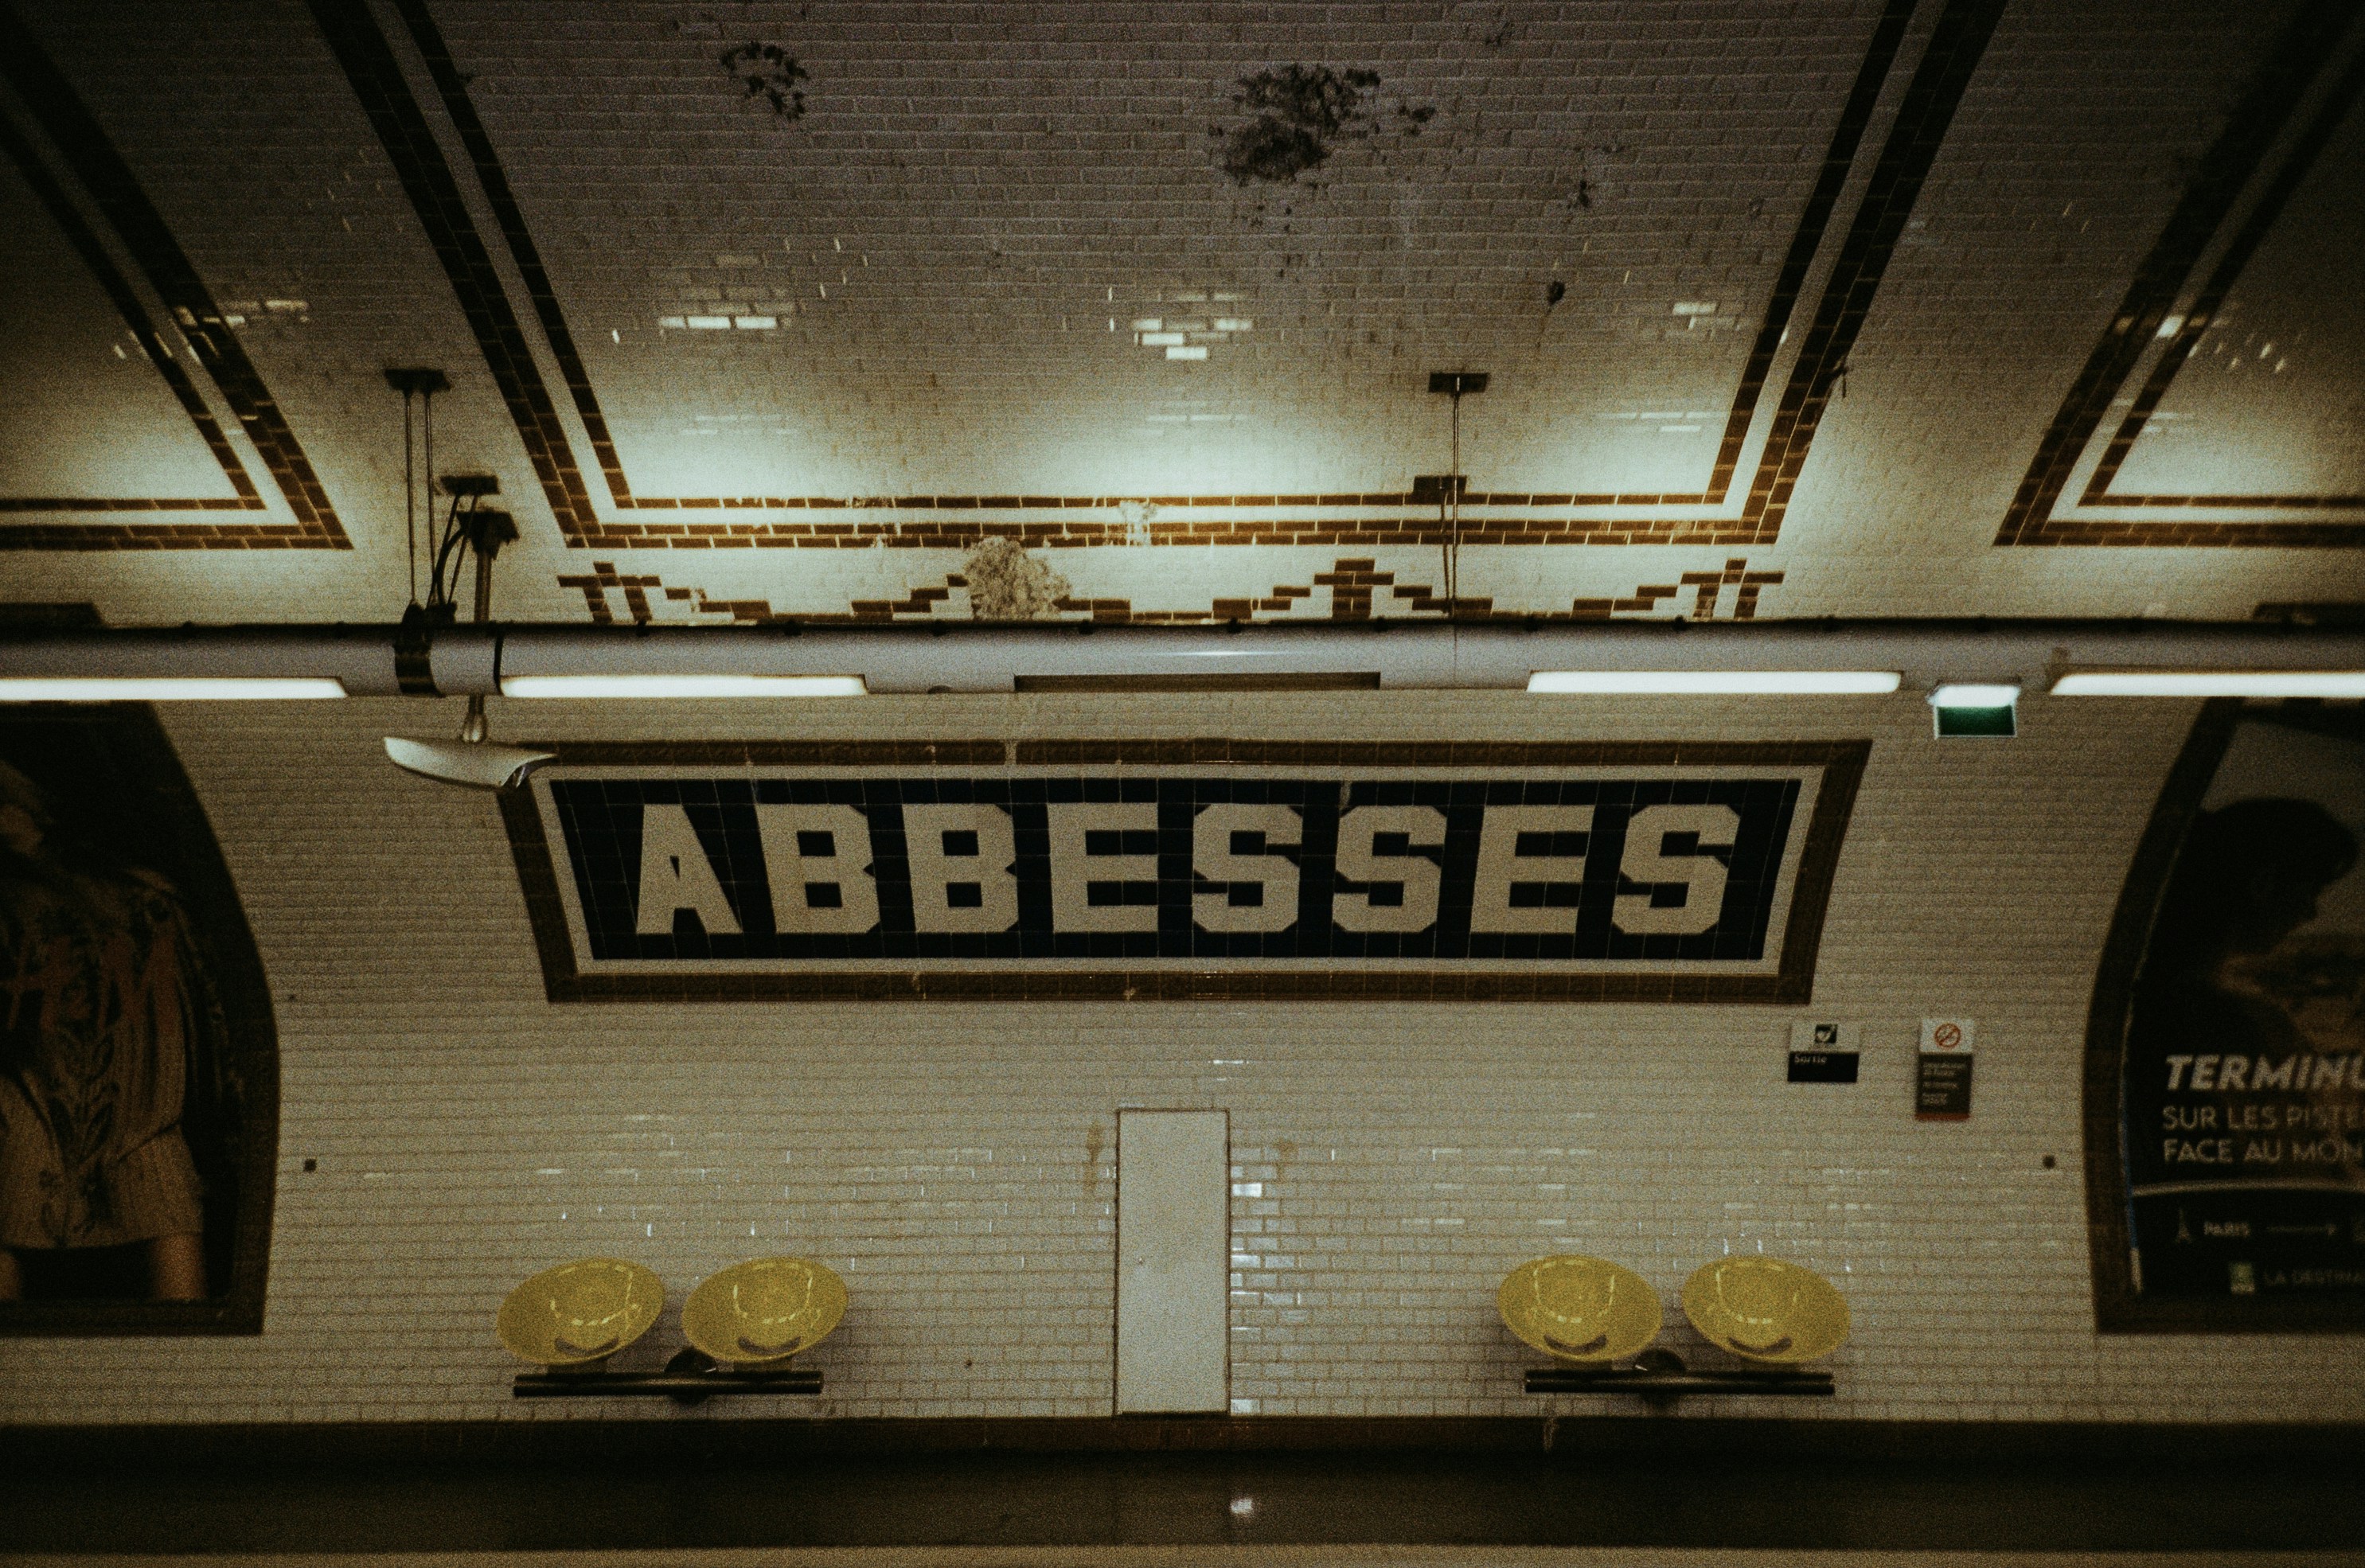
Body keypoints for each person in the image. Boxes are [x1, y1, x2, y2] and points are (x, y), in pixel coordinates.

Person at [0, 762, 209, 1301]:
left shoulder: (16, 906)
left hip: (38, 1131)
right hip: (143, 1132)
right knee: (183, 1316)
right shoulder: (153, 898)